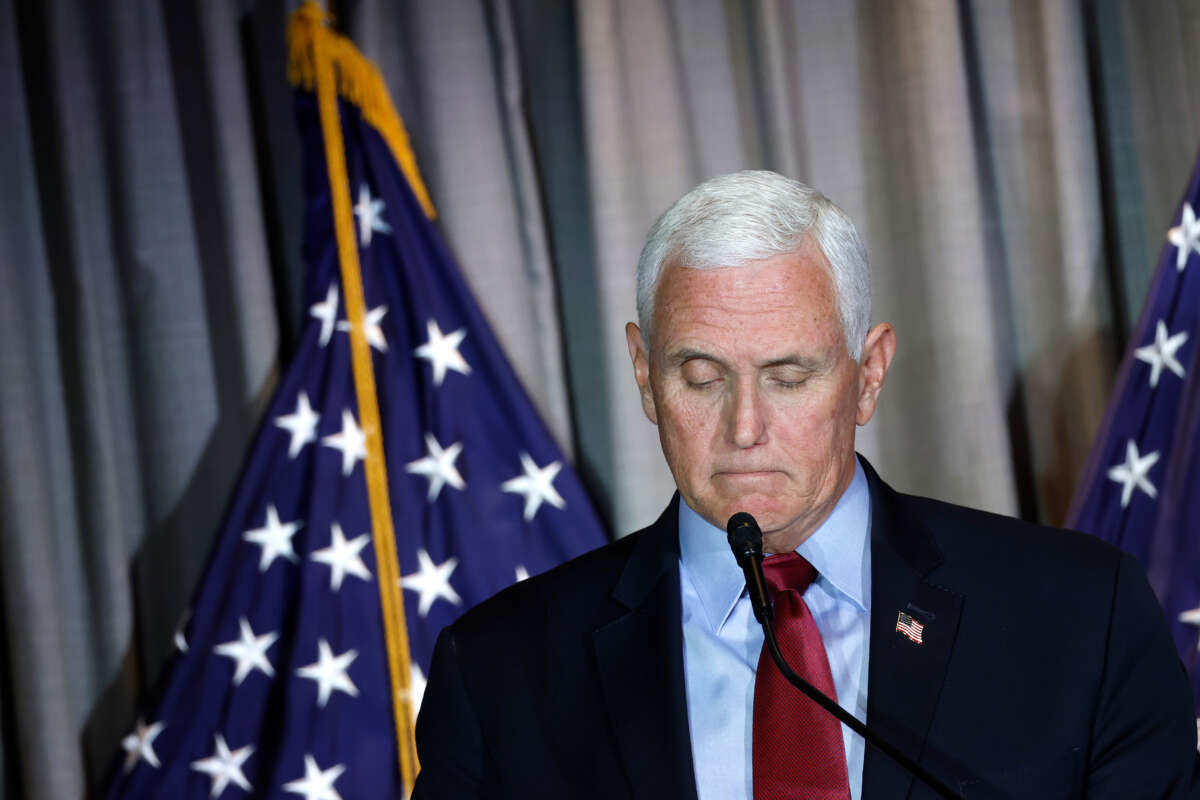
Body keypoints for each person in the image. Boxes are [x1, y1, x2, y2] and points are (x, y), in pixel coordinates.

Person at [412, 171, 1198, 799]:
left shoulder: (1080, 619)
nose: (744, 427)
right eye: (700, 376)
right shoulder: (498, 675)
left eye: (789, 376)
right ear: (645, 378)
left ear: (870, 374)